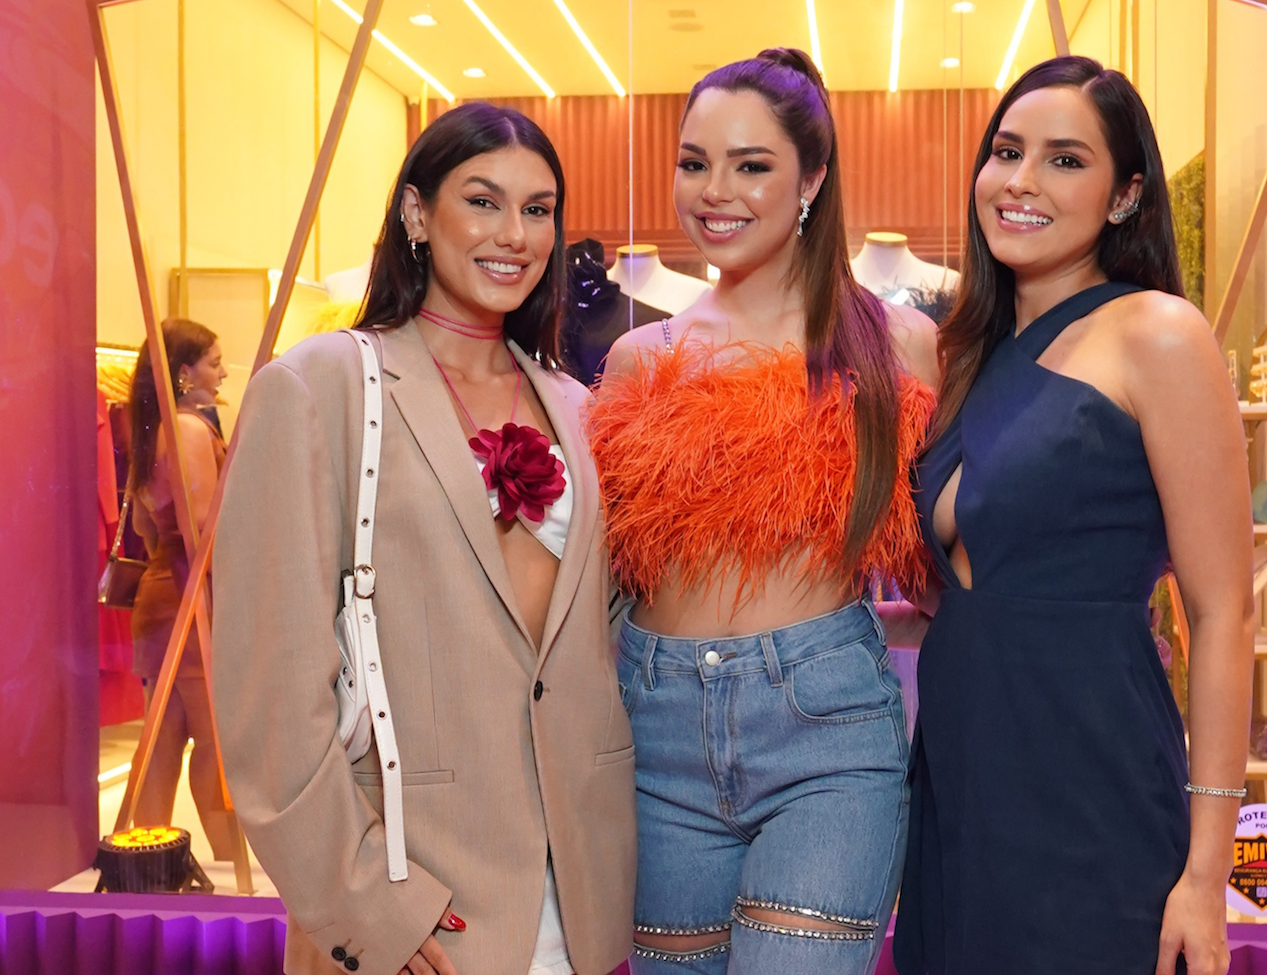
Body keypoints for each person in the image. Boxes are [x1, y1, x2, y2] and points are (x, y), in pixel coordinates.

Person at [212, 104, 635, 975]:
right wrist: (366, 904)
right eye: (483, 201)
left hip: (578, 900)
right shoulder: (321, 387)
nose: (514, 234)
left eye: (538, 209)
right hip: (416, 886)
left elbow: (603, 650)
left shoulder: (579, 408)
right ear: (416, 211)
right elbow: (271, 699)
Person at [892, 57, 1255, 975]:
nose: (1021, 181)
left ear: (1126, 194)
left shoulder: (1158, 335)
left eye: (1064, 160)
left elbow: (1224, 612)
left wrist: (1207, 873)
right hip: (962, 778)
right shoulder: (967, 358)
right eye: (1007, 151)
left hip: (1091, 773)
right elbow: (976, 586)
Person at [589, 48, 939, 975]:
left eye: (751, 165)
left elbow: (952, 553)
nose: (716, 191)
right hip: (653, 737)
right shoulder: (638, 362)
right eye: (694, 162)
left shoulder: (894, 346)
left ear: (812, 180)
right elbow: (596, 582)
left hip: (826, 738)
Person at [125, 317, 234, 859]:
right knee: (213, 741)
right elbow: (204, 532)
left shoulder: (154, 430)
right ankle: (233, 861)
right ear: (185, 372)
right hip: (191, 601)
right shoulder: (190, 430)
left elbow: (146, 528)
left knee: (164, 738)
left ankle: (146, 859)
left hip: (164, 595)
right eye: (215, 362)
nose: (224, 373)